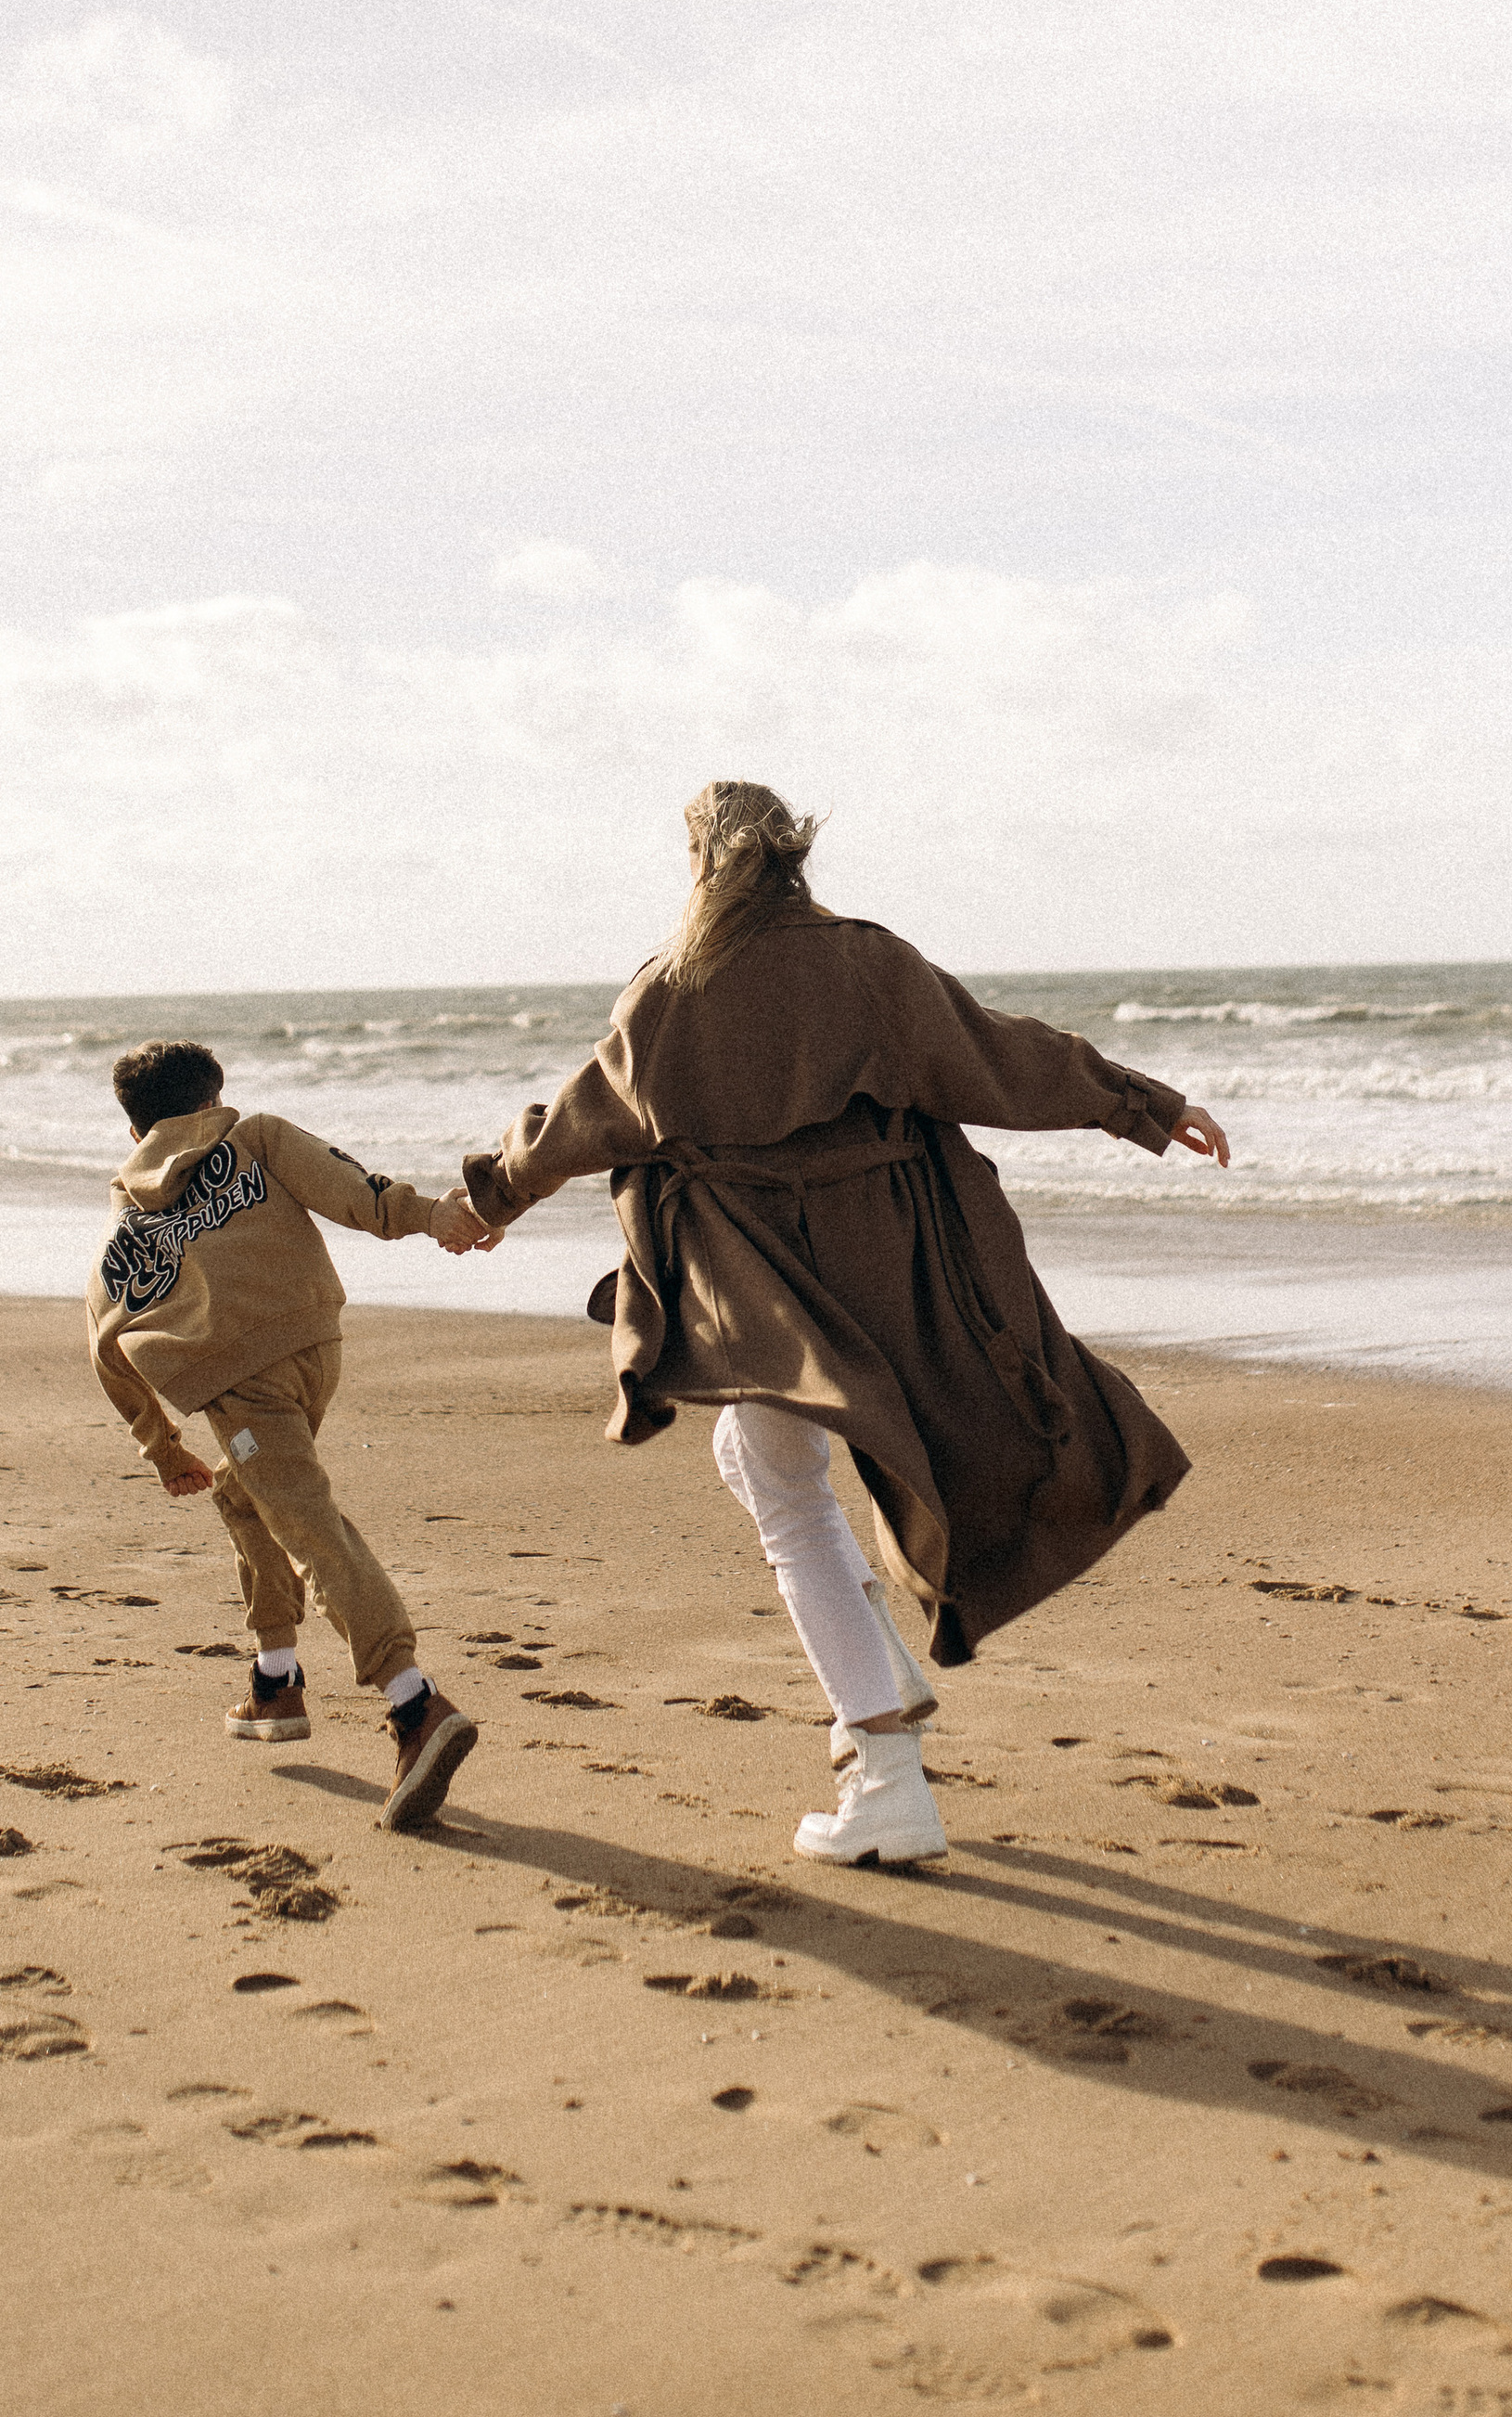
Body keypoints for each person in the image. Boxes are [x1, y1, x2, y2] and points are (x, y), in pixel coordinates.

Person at [451, 785, 1230, 1868]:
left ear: (697, 862)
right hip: (890, 1258)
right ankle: (880, 1683)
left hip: (761, 1278)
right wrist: (1139, 1103)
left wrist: (489, 1198)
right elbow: (994, 1053)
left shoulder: (672, 989)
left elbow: (587, 1118)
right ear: (794, 858)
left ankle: (885, 1770)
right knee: (758, 1458)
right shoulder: (867, 961)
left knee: (782, 1495)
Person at [86, 1036, 485, 1832]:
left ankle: (413, 1702)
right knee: (247, 1498)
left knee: (306, 1523)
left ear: (136, 1133)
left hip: (239, 1386)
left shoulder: (131, 1206)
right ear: (211, 1102)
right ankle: (277, 1681)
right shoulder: (256, 1136)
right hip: (315, 1349)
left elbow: (102, 1330)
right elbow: (354, 1191)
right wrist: (433, 1216)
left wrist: (160, 1447)